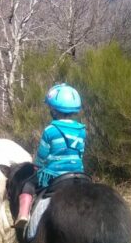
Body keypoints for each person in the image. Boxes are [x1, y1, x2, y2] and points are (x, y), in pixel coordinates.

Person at [14, 83, 86, 228]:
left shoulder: (50, 130)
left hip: (54, 174)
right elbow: (81, 153)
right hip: (78, 173)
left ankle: (23, 215)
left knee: (27, 185)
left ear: (54, 109)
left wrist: (37, 167)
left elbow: (42, 156)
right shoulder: (82, 130)